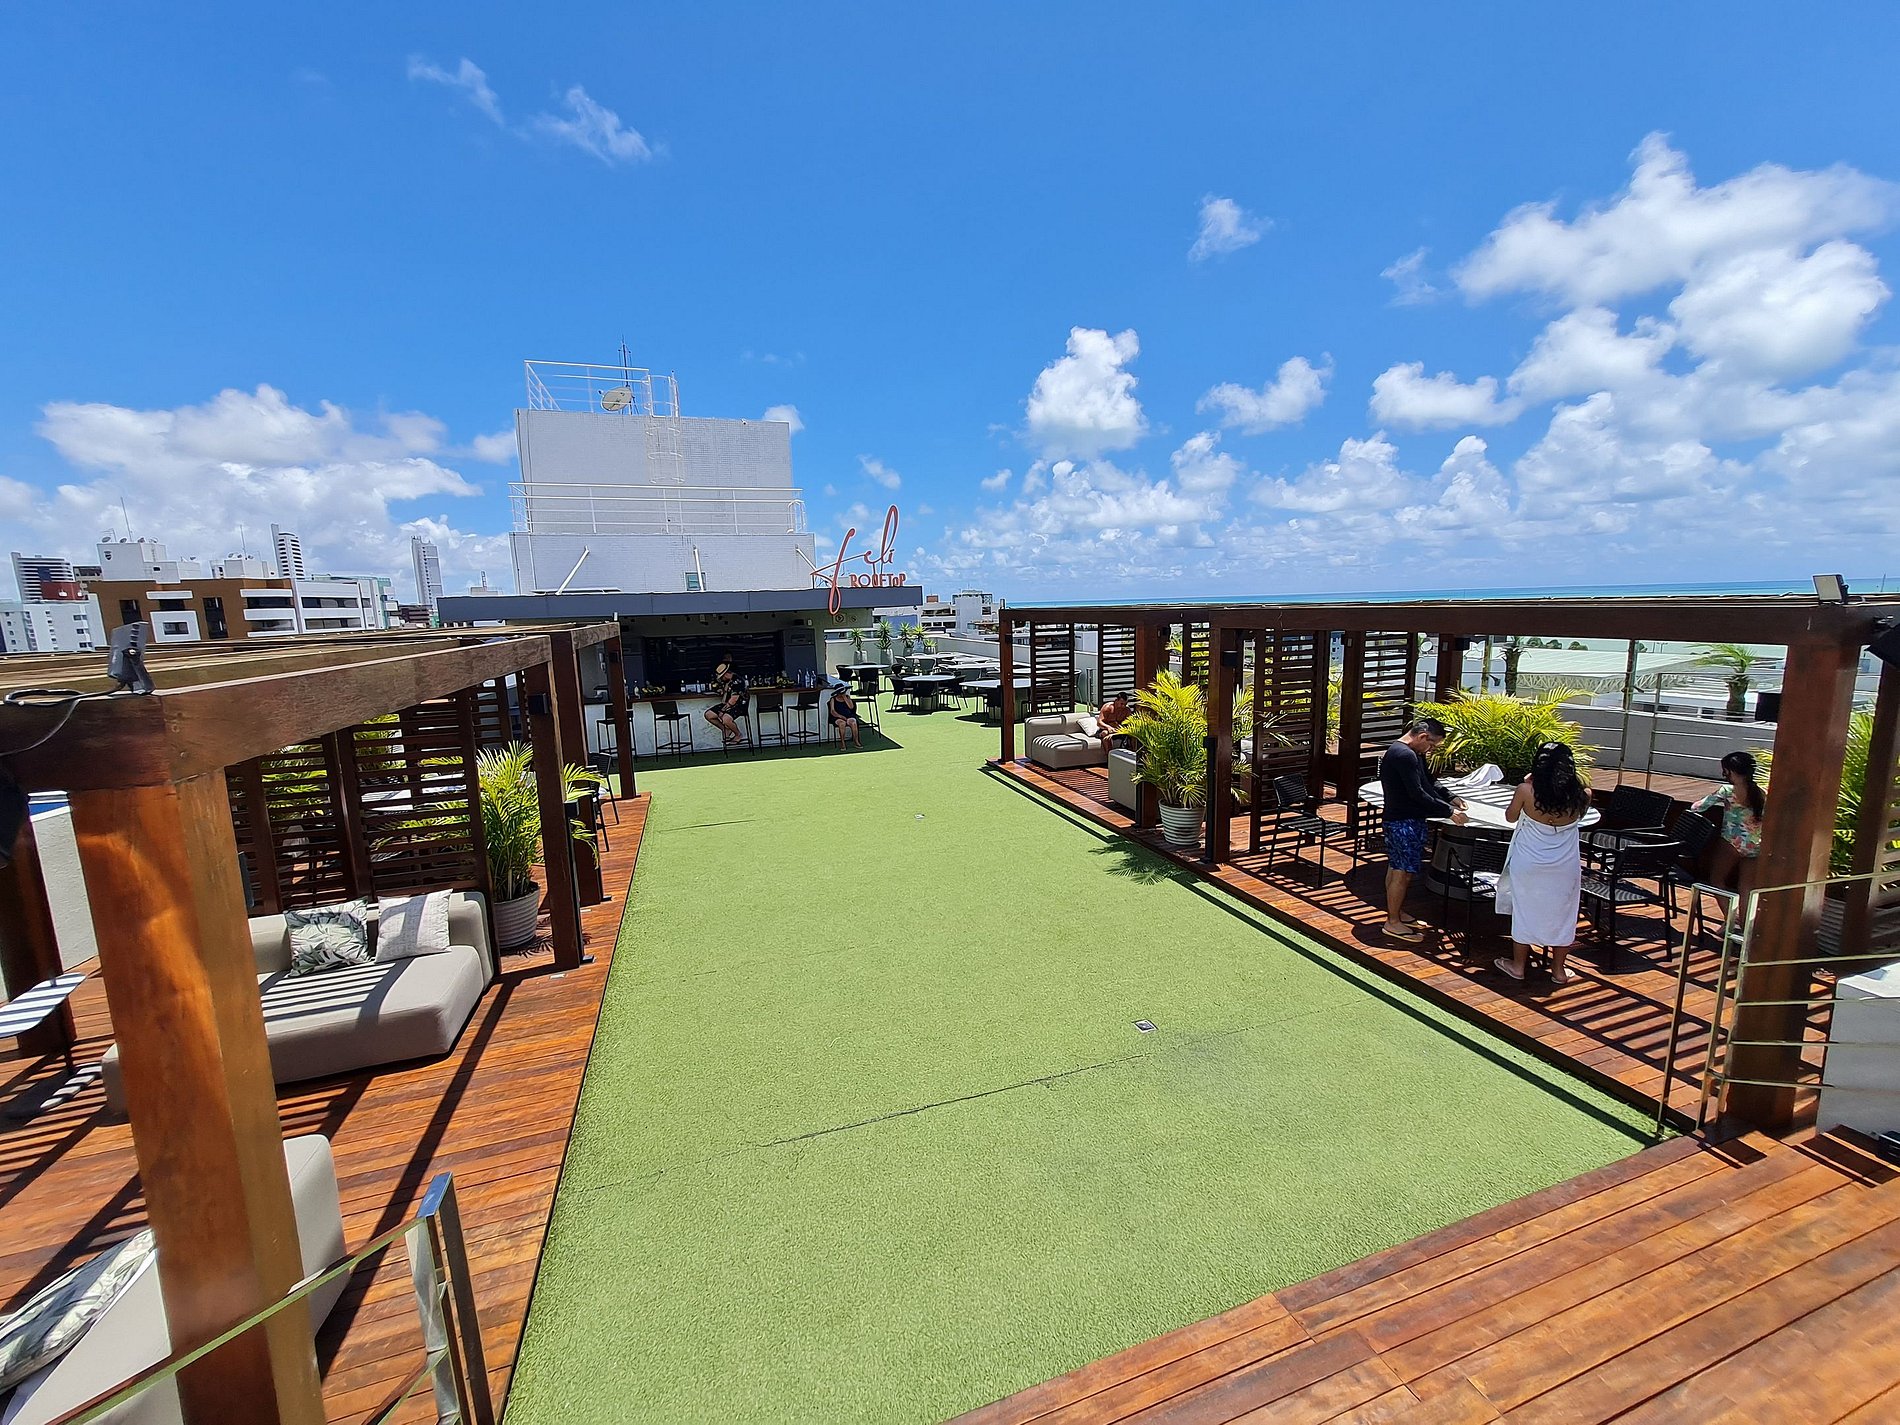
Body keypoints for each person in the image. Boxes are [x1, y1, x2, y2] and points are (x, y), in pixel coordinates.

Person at [1493, 742, 1592, 986]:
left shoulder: (1526, 790)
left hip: (1529, 862)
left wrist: (1528, 783)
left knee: (1524, 911)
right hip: (1564, 865)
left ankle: (1518, 967)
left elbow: (1510, 817)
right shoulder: (1584, 795)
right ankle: (1558, 971)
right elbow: (1578, 817)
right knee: (1564, 914)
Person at [1379, 718, 1465, 942]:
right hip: (1402, 821)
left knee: (1399, 869)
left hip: (1406, 819)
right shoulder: (1404, 755)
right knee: (1401, 872)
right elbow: (1417, 793)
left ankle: (1396, 913)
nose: (1431, 749)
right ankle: (1392, 922)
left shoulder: (1413, 753)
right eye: (1432, 744)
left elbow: (1429, 781)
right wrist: (1448, 812)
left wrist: (1451, 797)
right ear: (1423, 736)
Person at [1693, 751, 1766, 891]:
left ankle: (1728, 906)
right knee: (1746, 887)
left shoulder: (1727, 791)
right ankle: (1744, 908)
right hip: (1754, 844)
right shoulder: (1761, 793)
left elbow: (1698, 807)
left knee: (1716, 880)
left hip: (1731, 841)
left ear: (1730, 771)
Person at [704, 660, 747, 746]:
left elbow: (734, 699)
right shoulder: (727, 681)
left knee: (726, 719)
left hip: (739, 705)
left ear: (726, 674)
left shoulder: (737, 681)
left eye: (722, 677)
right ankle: (725, 729)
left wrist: (722, 710)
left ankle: (738, 734)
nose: (721, 679)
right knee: (708, 715)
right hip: (727, 704)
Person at [828, 682, 862, 749]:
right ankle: (842, 743)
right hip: (837, 716)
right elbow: (832, 711)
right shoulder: (833, 699)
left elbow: (851, 707)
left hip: (848, 715)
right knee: (842, 723)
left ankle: (856, 741)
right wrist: (840, 716)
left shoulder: (847, 697)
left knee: (853, 722)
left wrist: (845, 698)